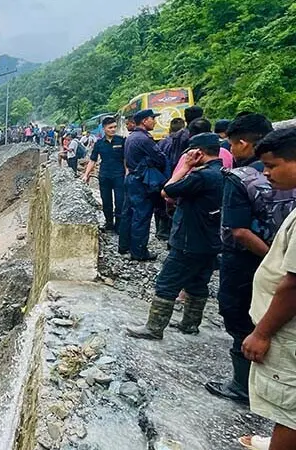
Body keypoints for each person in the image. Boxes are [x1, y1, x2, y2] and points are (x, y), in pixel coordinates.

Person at [206, 114, 296, 405]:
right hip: (280, 259)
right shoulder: (285, 176)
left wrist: (273, 261)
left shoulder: (240, 178)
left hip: (248, 262)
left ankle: (243, 385)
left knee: (239, 316)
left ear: (243, 143)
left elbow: (239, 231)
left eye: (232, 145)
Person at [127, 133, 225, 340]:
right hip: (210, 240)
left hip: (188, 240)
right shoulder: (223, 173)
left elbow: (168, 190)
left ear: (198, 152)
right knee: (198, 283)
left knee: (166, 282)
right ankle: (190, 324)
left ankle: (154, 328)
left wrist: (184, 167)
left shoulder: (201, 177)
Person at [240, 127, 296, 450]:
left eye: (272, 166)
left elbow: (294, 284)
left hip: (286, 332)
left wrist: (262, 332)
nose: (266, 173)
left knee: (290, 407)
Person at [118, 109, 167, 261]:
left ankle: (124, 245)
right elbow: (160, 158)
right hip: (141, 181)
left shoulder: (131, 137)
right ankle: (139, 252)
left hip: (131, 178)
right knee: (142, 215)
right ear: (145, 121)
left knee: (128, 213)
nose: (154, 121)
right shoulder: (145, 139)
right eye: (152, 118)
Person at [83, 116, 125, 232]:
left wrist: (127, 173)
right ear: (104, 128)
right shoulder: (99, 144)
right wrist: (86, 174)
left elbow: (126, 159)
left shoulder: (121, 141)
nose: (113, 129)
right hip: (104, 176)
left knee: (120, 201)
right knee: (106, 201)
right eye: (110, 127)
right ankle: (109, 223)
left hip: (119, 176)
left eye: (114, 127)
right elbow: (93, 160)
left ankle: (119, 225)